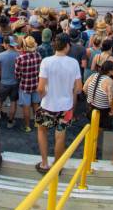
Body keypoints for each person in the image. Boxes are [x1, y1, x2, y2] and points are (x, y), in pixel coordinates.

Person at [34, 33, 82, 174]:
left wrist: (44, 97)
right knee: (60, 135)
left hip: (48, 104)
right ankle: (57, 165)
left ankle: (44, 163)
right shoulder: (73, 63)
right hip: (66, 107)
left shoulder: (46, 62)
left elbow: (41, 88)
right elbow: (79, 88)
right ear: (67, 46)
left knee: (42, 131)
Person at [14, 35, 41, 133]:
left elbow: (17, 75)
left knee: (26, 106)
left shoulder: (20, 58)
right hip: (36, 84)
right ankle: (37, 123)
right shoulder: (38, 55)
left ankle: (27, 126)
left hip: (25, 85)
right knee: (36, 104)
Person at [0, 36, 19, 127]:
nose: (3, 45)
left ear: (7, 44)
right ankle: (10, 122)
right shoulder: (18, 55)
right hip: (15, 83)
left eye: (4, 43)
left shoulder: (1, 55)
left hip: (4, 83)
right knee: (13, 102)